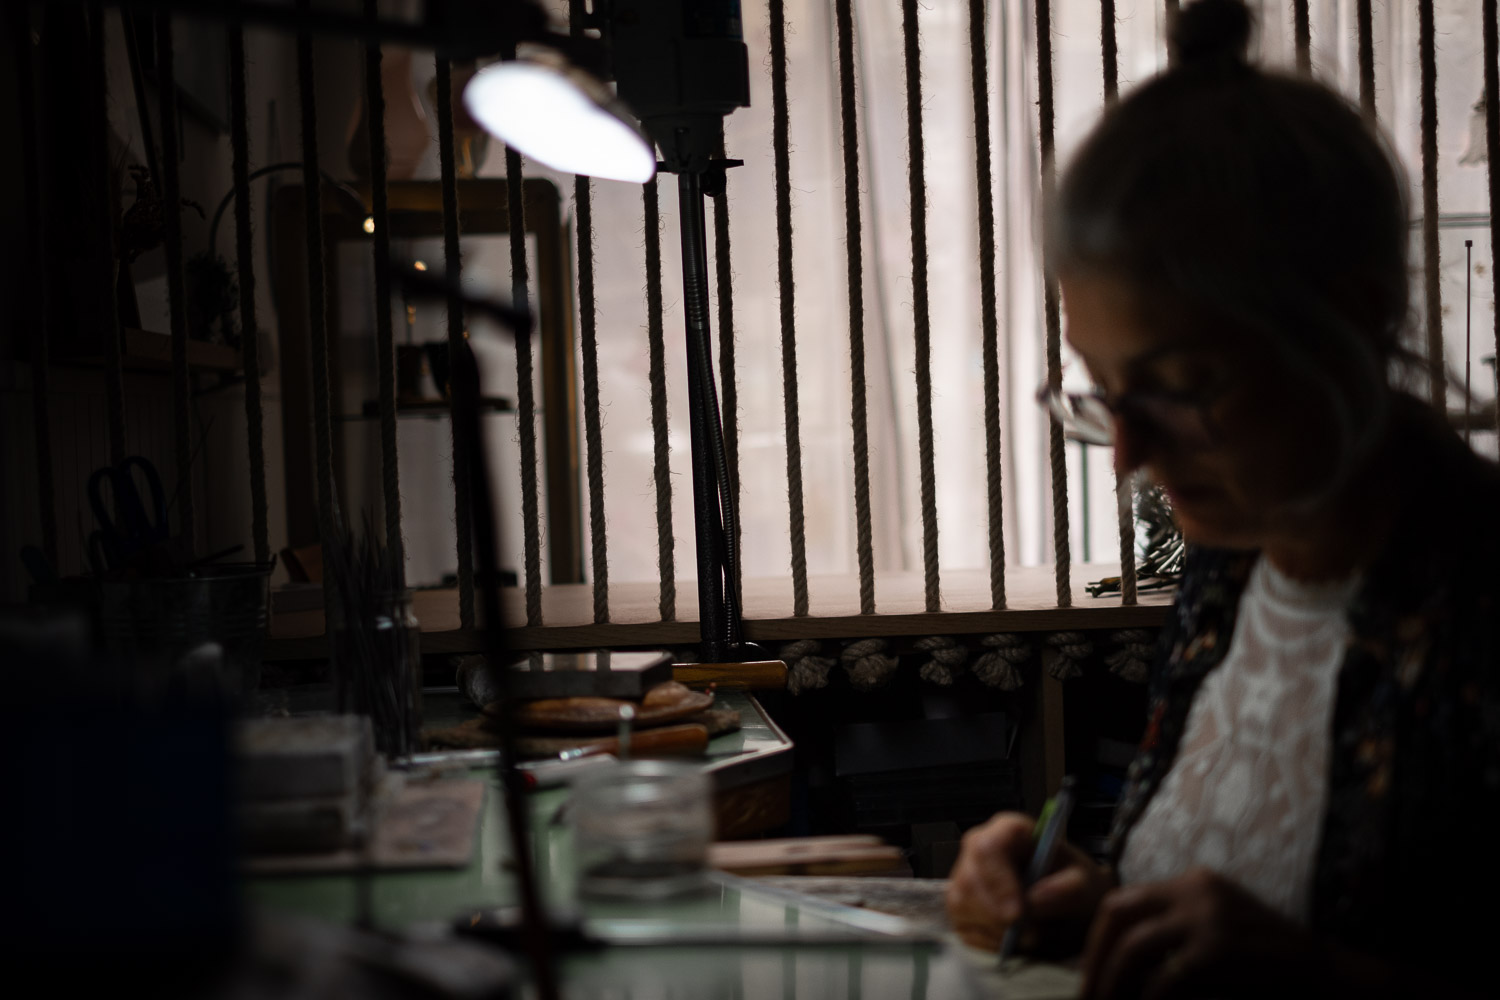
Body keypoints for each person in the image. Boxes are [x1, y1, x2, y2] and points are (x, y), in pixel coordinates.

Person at [945, 1, 1500, 997]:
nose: (1126, 453)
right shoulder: (1230, 571)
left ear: (1355, 320)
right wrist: (1095, 898)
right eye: (1105, 391)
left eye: (1184, 384)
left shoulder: (1481, 599)